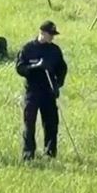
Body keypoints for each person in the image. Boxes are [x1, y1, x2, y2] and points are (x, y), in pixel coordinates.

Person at [15, 21, 68, 159]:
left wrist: (58, 84)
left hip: (48, 92)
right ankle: (28, 153)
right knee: (29, 123)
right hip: (32, 91)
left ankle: (50, 153)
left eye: (53, 35)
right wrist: (35, 67)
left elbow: (62, 69)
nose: (52, 37)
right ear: (42, 33)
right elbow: (20, 68)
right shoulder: (28, 49)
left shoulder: (55, 51)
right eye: (50, 34)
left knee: (51, 123)